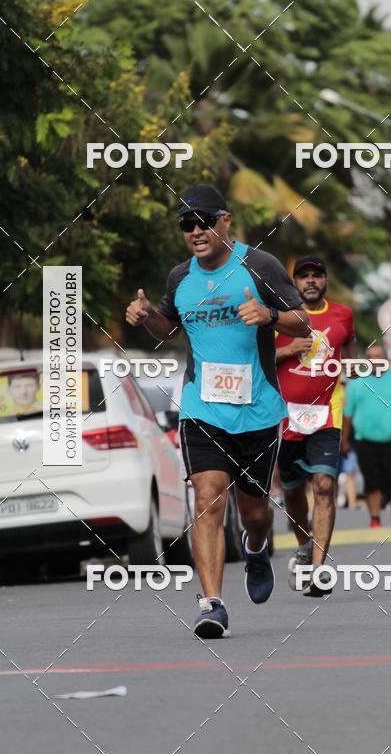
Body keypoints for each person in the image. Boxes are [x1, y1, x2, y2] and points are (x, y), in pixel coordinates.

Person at [125, 184, 310, 638]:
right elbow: (167, 326)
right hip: (202, 408)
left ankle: (257, 545)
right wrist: (147, 314)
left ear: (226, 221)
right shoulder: (179, 277)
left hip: (258, 410)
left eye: (204, 220)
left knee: (255, 511)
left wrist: (268, 315)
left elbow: (300, 319)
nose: (196, 231)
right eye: (187, 224)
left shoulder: (258, 265)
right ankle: (211, 604)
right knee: (206, 497)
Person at [275, 256, 356, 596]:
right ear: (294, 282)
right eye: (303, 276)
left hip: (326, 413)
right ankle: (305, 544)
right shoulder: (278, 318)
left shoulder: (343, 315)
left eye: (316, 275)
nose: (310, 281)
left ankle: (319, 571)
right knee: (293, 492)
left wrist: (348, 386)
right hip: (284, 417)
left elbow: (348, 353)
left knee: (324, 486)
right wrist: (290, 348)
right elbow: (256, 357)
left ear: (325, 280)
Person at [341, 344, 391, 529]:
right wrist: (344, 440)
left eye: (378, 356)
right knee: (372, 482)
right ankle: (375, 517)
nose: (373, 360)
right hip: (365, 441)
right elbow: (348, 414)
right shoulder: (356, 383)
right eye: (370, 356)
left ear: (385, 360)